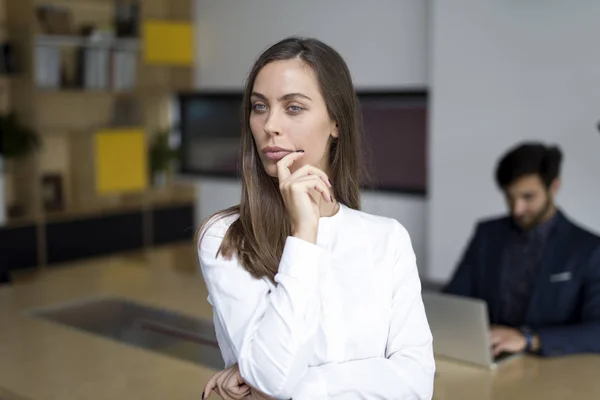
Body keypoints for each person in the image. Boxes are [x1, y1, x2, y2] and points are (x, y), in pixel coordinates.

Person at [196, 37, 435, 400]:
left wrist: (297, 387)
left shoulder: (387, 239)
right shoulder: (226, 238)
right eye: (259, 107)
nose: (270, 125)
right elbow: (275, 377)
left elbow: (417, 382)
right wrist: (303, 235)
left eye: (293, 108)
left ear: (335, 122)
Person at [443, 142, 600, 358]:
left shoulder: (589, 249)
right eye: (509, 197)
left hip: (554, 367)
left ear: (553, 187)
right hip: (491, 357)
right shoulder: (487, 234)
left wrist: (528, 339)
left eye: (528, 197)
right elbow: (454, 301)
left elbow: (596, 331)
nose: (517, 209)